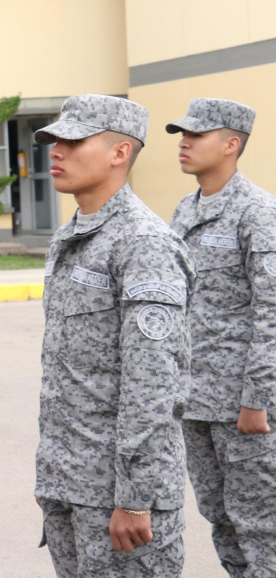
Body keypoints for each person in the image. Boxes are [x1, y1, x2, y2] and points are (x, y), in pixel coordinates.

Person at [33, 95, 191, 578]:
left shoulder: (142, 243)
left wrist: (137, 497)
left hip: (118, 495)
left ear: (119, 153)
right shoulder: (74, 235)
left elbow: (153, 384)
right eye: (54, 141)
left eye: (73, 141)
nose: (56, 151)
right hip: (69, 481)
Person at [165, 98, 276, 576]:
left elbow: (272, 310)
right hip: (195, 400)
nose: (184, 143)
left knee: (260, 522)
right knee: (219, 515)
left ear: (231, 144)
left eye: (197, 135)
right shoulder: (184, 209)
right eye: (182, 135)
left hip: (241, 405)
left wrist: (258, 399)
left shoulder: (258, 212)